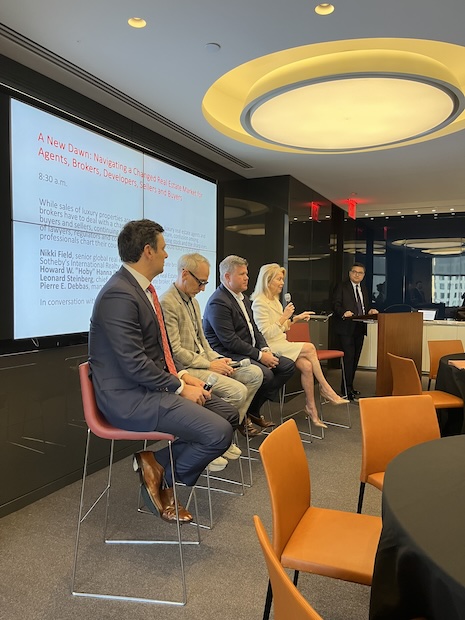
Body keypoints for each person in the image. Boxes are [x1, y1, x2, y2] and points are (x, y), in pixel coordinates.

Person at [88, 219, 238, 524]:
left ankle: (155, 464)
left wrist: (181, 377)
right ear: (147, 251)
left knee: (228, 413)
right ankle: (163, 477)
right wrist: (180, 388)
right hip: (128, 399)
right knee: (218, 433)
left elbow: (150, 356)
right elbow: (134, 364)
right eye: (164, 249)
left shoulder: (138, 290)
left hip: (146, 388)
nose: (167, 256)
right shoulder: (119, 295)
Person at [160, 252, 264, 449]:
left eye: (205, 283)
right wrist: (210, 364)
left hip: (204, 362)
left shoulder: (194, 300)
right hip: (188, 369)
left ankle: (226, 431)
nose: (203, 288)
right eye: (200, 282)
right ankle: (215, 437)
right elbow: (175, 352)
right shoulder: (168, 302)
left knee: (254, 374)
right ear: (184, 274)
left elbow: (203, 342)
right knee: (238, 391)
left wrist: (219, 360)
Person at [251, 264, 348, 428]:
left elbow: (280, 328)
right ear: (267, 280)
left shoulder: (274, 300)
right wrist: (284, 316)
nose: (282, 283)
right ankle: (326, 389)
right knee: (310, 348)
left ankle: (311, 408)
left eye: (282, 279)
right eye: (279, 279)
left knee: (307, 365)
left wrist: (295, 318)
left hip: (280, 342)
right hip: (269, 347)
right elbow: (264, 334)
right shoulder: (259, 303)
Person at [203, 255, 295, 427]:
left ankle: (251, 410)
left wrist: (265, 349)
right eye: (242, 274)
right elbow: (229, 341)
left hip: (248, 350)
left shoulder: (243, 298)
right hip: (229, 354)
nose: (247, 277)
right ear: (227, 277)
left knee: (287, 366)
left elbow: (255, 329)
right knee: (266, 374)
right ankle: (244, 418)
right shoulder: (218, 302)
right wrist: (260, 356)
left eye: (247, 273)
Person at [332, 262, 379, 400]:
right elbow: (335, 304)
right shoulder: (342, 287)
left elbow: (365, 306)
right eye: (354, 272)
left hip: (360, 327)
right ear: (350, 273)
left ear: (363, 276)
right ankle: (345, 389)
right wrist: (343, 312)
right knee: (348, 359)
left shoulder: (363, 288)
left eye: (360, 273)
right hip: (346, 328)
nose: (357, 275)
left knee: (355, 359)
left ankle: (350, 386)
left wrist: (370, 311)